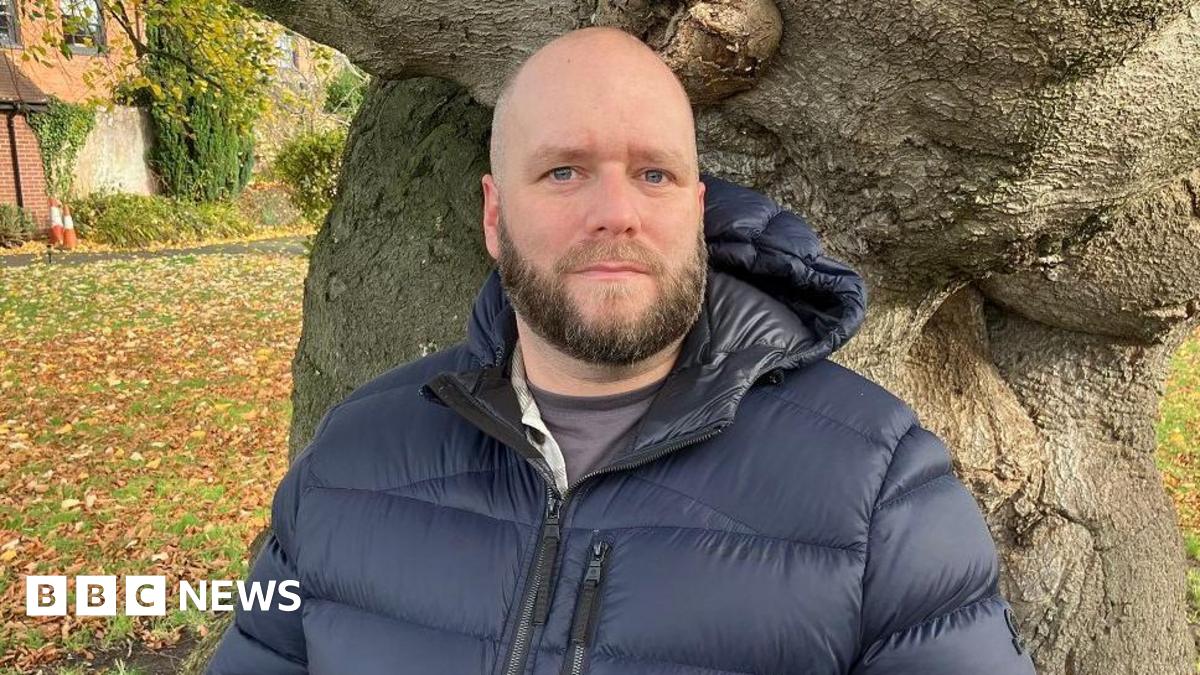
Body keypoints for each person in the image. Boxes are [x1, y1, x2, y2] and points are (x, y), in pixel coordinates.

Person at [209, 26, 1036, 675]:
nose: (616, 211)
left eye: (653, 175)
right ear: (494, 216)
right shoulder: (348, 461)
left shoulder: (880, 489)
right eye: (564, 172)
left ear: (696, 210)